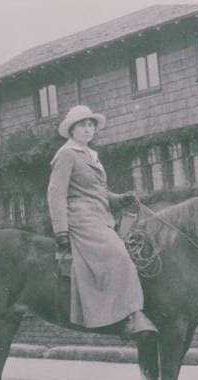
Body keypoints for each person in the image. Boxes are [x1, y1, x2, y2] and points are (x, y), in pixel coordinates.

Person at [47, 105, 157, 342]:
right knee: (120, 255)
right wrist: (61, 230)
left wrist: (120, 199)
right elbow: (56, 193)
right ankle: (132, 316)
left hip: (102, 216)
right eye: (82, 125)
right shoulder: (67, 154)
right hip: (81, 218)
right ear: (72, 130)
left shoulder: (90, 155)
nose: (88, 129)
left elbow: (98, 192)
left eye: (90, 125)